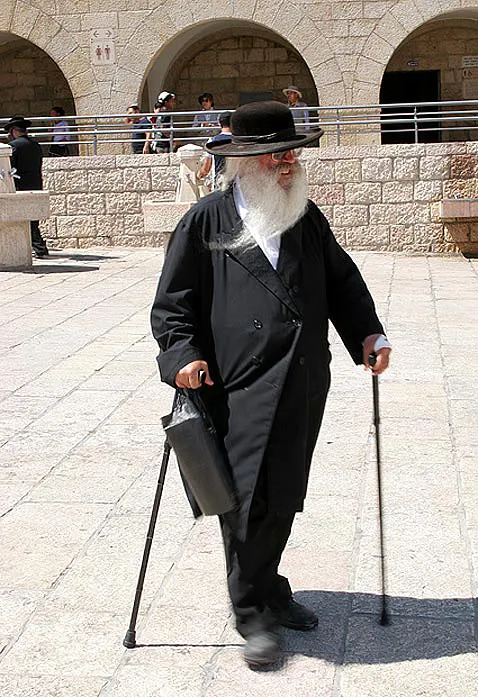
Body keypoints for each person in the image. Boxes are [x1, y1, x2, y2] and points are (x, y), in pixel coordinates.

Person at [150, 101, 391, 669]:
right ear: (244, 161)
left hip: (301, 380)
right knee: (242, 498)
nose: (288, 163)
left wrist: (368, 333)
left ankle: (269, 587)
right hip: (233, 385)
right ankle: (252, 611)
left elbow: (342, 280)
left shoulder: (305, 216)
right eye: (275, 155)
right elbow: (173, 304)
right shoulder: (205, 220)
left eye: (292, 153)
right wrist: (181, 356)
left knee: (283, 491)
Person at [6, 115, 49, 258]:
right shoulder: (35, 145)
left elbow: (11, 167)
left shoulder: (14, 146)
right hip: (35, 183)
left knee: (23, 218)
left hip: (20, 186)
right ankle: (39, 246)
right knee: (33, 218)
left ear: (13, 131)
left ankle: (37, 247)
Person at [197, 110, 232, 189]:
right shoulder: (239, 141)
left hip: (219, 184)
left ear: (220, 124)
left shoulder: (212, 141)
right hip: (237, 186)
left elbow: (206, 169)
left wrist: (198, 175)